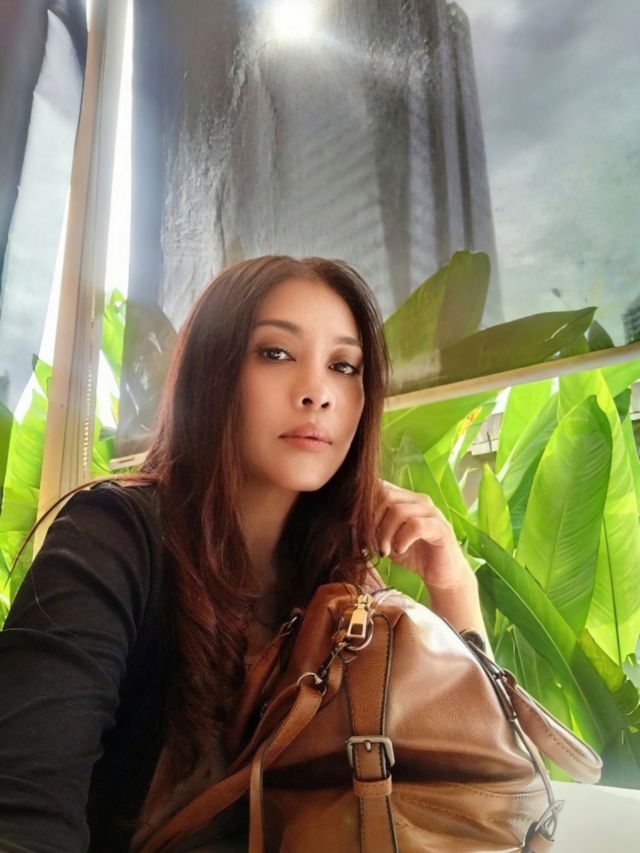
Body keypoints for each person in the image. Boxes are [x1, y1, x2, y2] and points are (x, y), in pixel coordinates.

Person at [0, 255, 488, 853]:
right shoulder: (113, 536)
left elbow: (473, 781)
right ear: (213, 372)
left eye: (343, 366)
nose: (317, 393)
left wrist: (453, 583)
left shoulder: (342, 588)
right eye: (275, 353)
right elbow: (24, 809)